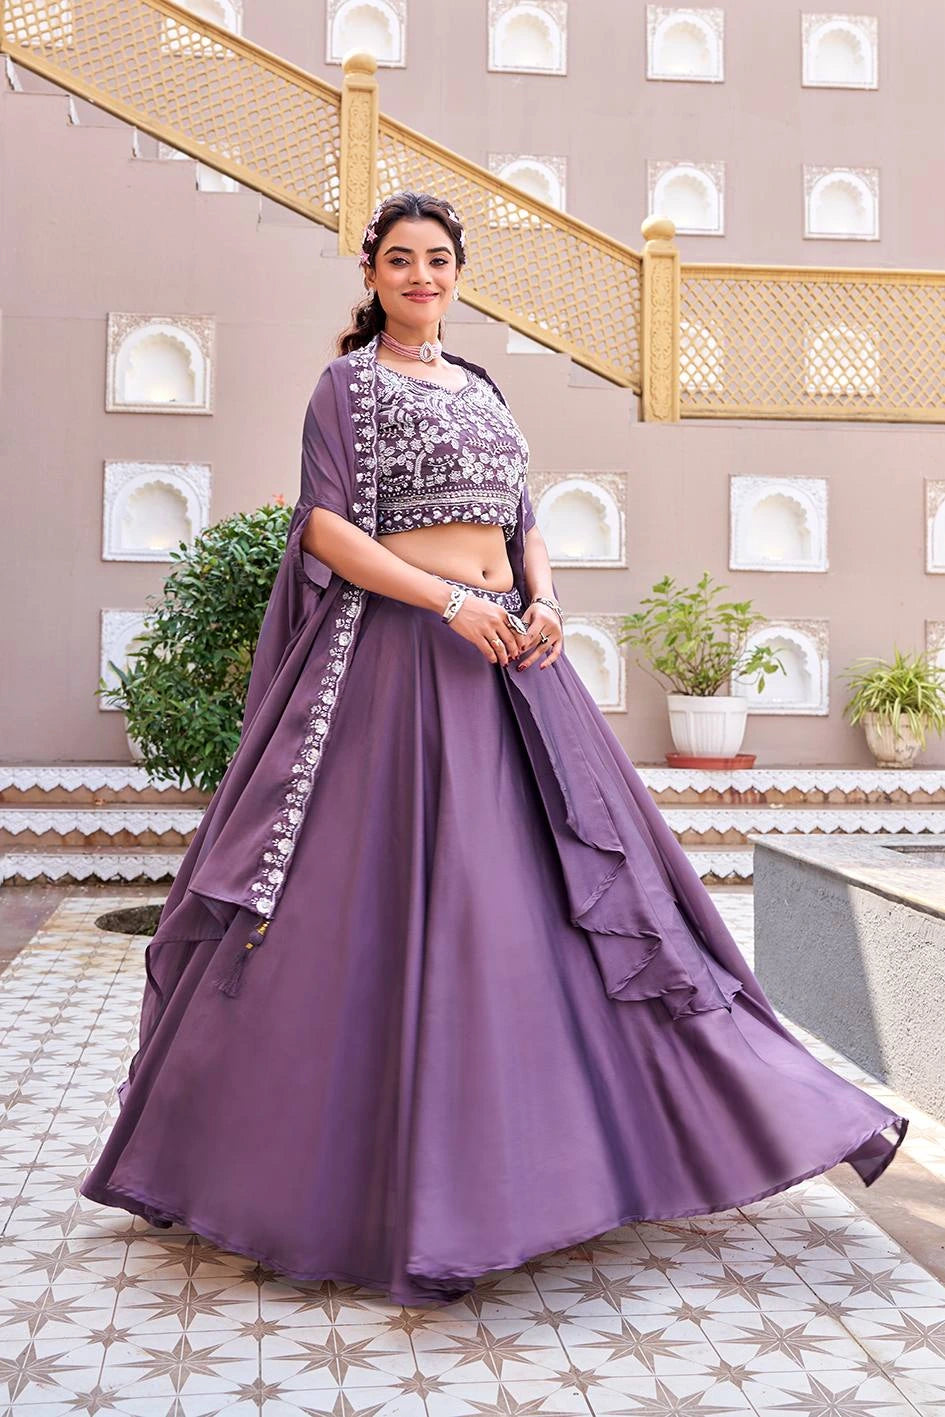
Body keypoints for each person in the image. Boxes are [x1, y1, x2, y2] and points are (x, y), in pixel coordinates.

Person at [79, 190, 908, 1309]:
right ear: (371, 275)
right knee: (402, 907)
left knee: (576, 905)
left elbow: (524, 519)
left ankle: (577, 1164)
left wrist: (545, 599)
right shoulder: (348, 385)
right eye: (400, 259)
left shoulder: (482, 388)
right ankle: (363, 1188)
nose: (421, 275)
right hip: (400, 662)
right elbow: (325, 527)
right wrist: (444, 603)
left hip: (511, 658)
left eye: (438, 259)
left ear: (459, 275)